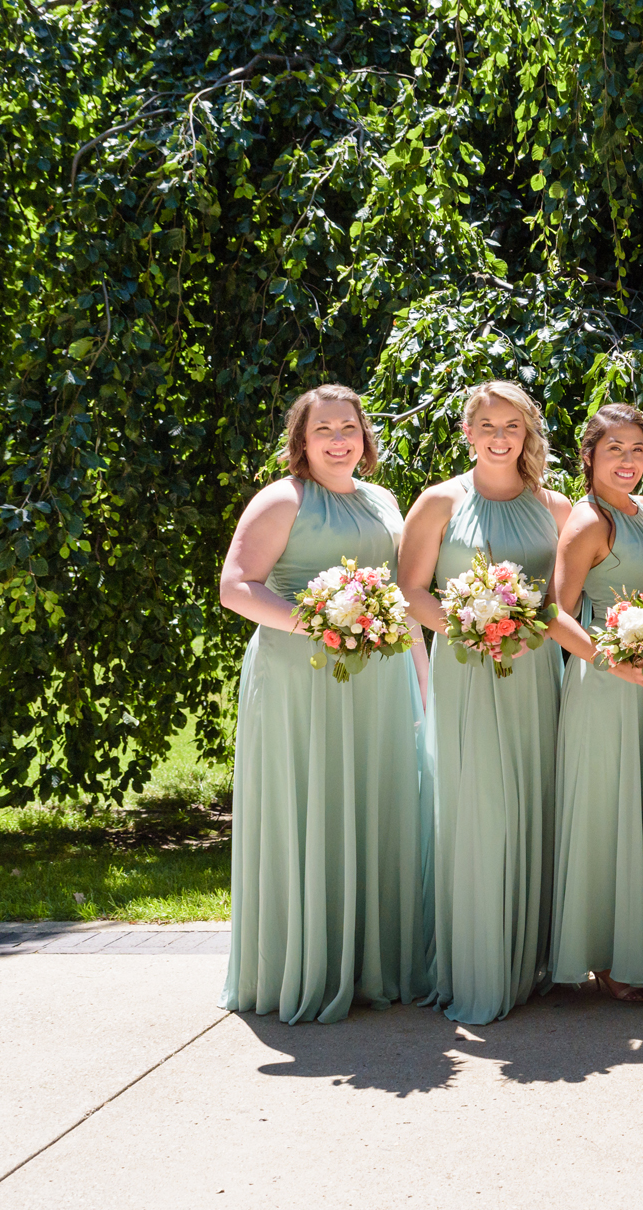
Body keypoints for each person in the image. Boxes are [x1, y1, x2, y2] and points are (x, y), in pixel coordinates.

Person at [217, 384, 433, 1024]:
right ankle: (305, 965)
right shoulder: (282, 500)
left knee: (378, 801)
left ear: (365, 438)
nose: (339, 440)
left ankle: (374, 965)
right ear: (302, 443)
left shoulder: (385, 501)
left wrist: (422, 682)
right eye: (324, 431)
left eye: (350, 429)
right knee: (311, 803)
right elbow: (236, 587)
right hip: (299, 679)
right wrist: (321, 624)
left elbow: (402, 595)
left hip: (381, 680)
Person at [400, 381, 571, 1025]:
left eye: (513, 427)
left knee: (530, 797)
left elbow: (564, 597)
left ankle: (527, 962)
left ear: (527, 434)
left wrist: (522, 630)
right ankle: (474, 965)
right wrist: (470, 626)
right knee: (477, 806)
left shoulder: (555, 507)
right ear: (469, 432)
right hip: (467, 666)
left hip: (532, 668)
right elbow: (412, 589)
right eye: (489, 426)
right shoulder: (441, 501)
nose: (501, 437)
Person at [549, 405, 643, 1004]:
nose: (627, 461)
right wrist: (618, 663)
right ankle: (608, 958)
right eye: (614, 449)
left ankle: (641, 944)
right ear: (589, 456)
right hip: (604, 684)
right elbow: (554, 613)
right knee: (608, 813)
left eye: (637, 450)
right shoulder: (588, 521)